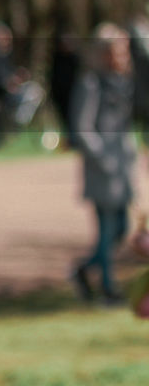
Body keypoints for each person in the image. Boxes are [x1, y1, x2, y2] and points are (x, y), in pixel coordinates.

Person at [69, 23, 137, 305]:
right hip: (102, 170)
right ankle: (109, 289)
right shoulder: (91, 83)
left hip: (121, 168)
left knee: (121, 228)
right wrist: (103, 157)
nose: (122, 56)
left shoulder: (122, 82)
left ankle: (85, 269)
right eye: (116, 51)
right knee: (107, 230)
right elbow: (82, 127)